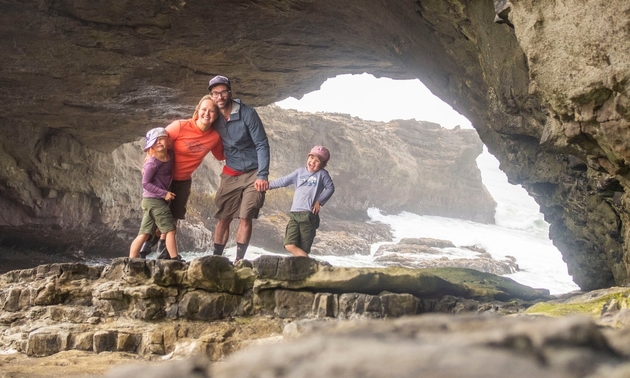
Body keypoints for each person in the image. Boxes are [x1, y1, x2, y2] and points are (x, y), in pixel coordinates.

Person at [139, 95, 225, 259]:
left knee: (174, 217)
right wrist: (147, 163)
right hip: (163, 180)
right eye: (204, 109)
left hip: (183, 180)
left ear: (216, 115)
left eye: (212, 111)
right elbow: (157, 143)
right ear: (197, 111)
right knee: (159, 217)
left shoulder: (214, 137)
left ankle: (161, 255)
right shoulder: (179, 126)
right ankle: (147, 246)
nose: (207, 114)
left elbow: (221, 156)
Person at [208, 75, 270, 263]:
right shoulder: (213, 116)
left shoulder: (247, 113)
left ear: (230, 93)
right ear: (211, 96)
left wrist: (262, 175)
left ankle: (239, 261)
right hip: (231, 172)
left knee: (245, 217)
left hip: (254, 173)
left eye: (223, 92)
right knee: (224, 217)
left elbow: (262, 144)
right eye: (215, 93)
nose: (219, 96)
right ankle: (216, 260)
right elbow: (196, 131)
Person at [268, 146, 335, 257]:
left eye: (317, 161)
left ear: (323, 164)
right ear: (308, 157)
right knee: (289, 244)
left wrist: (319, 201)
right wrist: (268, 185)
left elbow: (330, 188)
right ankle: (309, 264)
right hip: (294, 214)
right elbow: (284, 180)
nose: (312, 162)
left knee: (303, 247)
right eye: (311, 158)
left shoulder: (322, 174)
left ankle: (304, 267)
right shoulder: (299, 172)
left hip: (308, 215)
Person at [129, 127, 183, 261]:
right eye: (155, 141)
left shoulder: (171, 155)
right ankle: (174, 259)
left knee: (145, 233)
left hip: (152, 201)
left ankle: (132, 260)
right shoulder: (152, 163)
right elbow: (145, 183)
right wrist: (163, 193)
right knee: (170, 230)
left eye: (161, 139)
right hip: (154, 200)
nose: (158, 142)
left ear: (168, 141)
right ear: (151, 146)